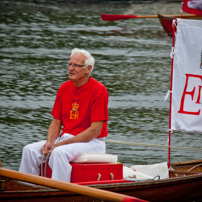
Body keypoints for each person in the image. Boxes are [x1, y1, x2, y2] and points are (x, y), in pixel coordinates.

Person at [19, 48, 109, 182]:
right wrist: (50, 142)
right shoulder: (64, 88)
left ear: (88, 69)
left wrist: (61, 144)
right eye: (70, 64)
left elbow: (95, 130)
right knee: (29, 150)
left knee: (59, 152)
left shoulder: (99, 90)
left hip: (92, 142)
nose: (71, 68)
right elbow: (56, 122)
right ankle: (26, 188)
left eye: (76, 65)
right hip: (67, 139)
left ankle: (58, 192)